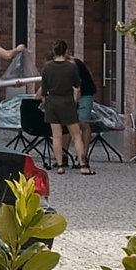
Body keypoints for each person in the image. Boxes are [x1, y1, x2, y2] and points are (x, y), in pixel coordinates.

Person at [39, 39, 87, 175]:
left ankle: (60, 166)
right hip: (67, 102)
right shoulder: (71, 67)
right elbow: (77, 87)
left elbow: (44, 90)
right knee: (76, 135)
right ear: (66, 51)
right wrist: (74, 101)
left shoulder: (47, 67)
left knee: (56, 136)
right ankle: (82, 165)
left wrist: (45, 104)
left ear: (53, 52)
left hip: (52, 103)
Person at [73, 52, 98, 167]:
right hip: (72, 94)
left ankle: (83, 155)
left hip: (85, 93)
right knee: (68, 123)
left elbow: (78, 88)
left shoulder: (75, 65)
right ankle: (63, 155)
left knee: (83, 123)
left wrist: (74, 102)